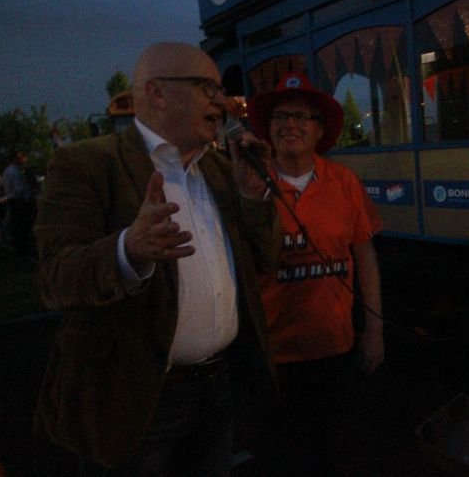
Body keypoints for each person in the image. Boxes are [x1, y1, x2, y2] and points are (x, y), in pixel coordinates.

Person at [32, 42, 281, 475]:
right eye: (207, 88)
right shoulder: (86, 163)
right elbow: (55, 278)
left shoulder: (221, 170)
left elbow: (265, 259)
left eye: (221, 90)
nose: (221, 102)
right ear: (157, 93)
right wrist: (128, 249)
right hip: (133, 400)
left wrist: (252, 196)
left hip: (217, 389)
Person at [247, 72, 384, 474]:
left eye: (302, 117)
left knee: (335, 451)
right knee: (283, 456)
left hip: (336, 350)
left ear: (320, 130)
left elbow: (365, 256)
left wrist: (374, 332)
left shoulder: (344, 182)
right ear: (268, 128)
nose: (290, 124)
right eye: (281, 116)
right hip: (275, 356)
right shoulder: (251, 185)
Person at [1, 151, 35, 256]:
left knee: (20, 226)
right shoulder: (13, 171)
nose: (23, 159)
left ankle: (21, 248)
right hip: (19, 202)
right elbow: (18, 190)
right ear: (15, 159)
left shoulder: (15, 171)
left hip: (19, 201)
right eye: (20, 157)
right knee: (21, 227)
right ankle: (21, 250)